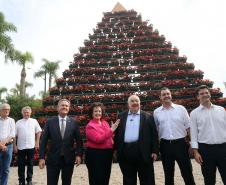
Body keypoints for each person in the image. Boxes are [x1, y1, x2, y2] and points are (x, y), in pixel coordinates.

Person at [153, 87, 195, 185]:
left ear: (171, 95)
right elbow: (155, 131)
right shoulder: (156, 112)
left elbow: (189, 128)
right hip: (165, 145)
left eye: (168, 93)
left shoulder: (181, 109)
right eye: (164, 94)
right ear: (160, 97)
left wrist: (193, 144)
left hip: (181, 144)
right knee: (168, 174)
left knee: (187, 172)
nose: (166, 96)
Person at [114, 94, 158, 185]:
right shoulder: (121, 116)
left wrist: (155, 151)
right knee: (128, 181)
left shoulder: (148, 116)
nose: (134, 103)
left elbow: (154, 135)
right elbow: (117, 134)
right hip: (126, 154)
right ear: (128, 104)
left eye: (136, 101)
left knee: (147, 180)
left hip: (144, 154)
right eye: (132, 101)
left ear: (140, 103)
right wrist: (116, 150)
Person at [39, 99, 82, 185]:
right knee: (51, 182)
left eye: (66, 106)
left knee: (67, 182)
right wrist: (42, 157)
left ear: (69, 108)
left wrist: (79, 155)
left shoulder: (74, 123)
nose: (64, 107)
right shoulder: (50, 122)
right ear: (58, 108)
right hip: (53, 158)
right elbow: (43, 141)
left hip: (68, 159)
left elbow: (79, 141)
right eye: (62, 105)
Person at [190, 85, 226, 185]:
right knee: (209, 179)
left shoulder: (221, 110)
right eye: (202, 93)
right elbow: (193, 135)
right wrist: (196, 152)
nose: (205, 95)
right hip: (206, 151)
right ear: (198, 97)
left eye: (206, 92)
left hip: (223, 148)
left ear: (209, 94)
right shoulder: (194, 114)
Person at [85, 102, 120, 185]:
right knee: (96, 178)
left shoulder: (104, 123)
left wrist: (113, 134)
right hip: (95, 155)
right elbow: (98, 139)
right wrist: (111, 130)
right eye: (95, 111)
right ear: (92, 113)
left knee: (105, 177)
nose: (98, 113)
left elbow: (108, 137)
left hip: (107, 154)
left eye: (99, 111)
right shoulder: (90, 126)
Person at [14, 106, 42, 185]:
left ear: (30, 113)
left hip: (31, 146)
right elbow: (14, 135)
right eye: (25, 112)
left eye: (28, 112)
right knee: (21, 165)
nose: (26, 114)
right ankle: (21, 181)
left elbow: (39, 132)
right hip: (20, 146)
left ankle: (29, 180)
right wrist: (15, 146)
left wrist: (37, 142)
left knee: (30, 164)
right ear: (22, 113)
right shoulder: (18, 122)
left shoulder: (34, 121)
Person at [0, 103, 15, 185]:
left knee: (6, 169)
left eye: (8, 109)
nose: (7, 111)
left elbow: (12, 133)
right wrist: (1, 145)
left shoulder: (11, 120)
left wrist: (3, 144)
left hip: (8, 147)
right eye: (5, 109)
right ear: (0, 110)